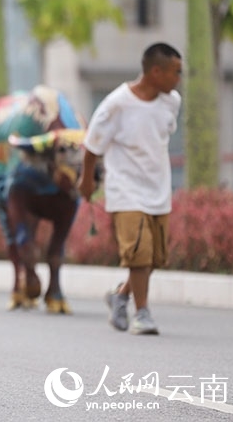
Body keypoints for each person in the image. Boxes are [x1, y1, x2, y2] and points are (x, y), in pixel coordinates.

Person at [78, 42, 182, 336]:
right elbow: (91, 148)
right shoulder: (115, 105)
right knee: (139, 254)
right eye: (175, 72)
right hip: (125, 190)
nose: (178, 79)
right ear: (155, 71)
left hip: (158, 188)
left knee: (155, 258)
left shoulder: (171, 101)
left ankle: (121, 295)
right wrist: (87, 181)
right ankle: (143, 314)